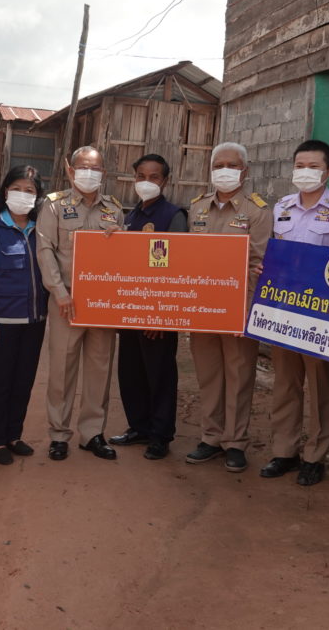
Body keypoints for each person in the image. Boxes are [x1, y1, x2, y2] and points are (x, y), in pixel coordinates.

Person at [261, 139, 329, 486]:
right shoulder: (281, 208)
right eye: (300, 166)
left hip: (320, 315)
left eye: (313, 166)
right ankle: (284, 450)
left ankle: (315, 456)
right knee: (285, 383)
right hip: (283, 311)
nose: (305, 172)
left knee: (319, 386)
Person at [186, 142, 272, 472]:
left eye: (232, 165)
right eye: (218, 165)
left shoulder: (257, 211)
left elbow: (258, 264)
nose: (225, 171)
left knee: (239, 376)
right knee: (209, 375)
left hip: (238, 308)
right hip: (202, 307)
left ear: (244, 171)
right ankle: (210, 437)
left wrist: (246, 312)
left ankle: (235, 442)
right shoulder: (197, 207)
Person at [36, 146, 123, 460]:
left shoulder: (114, 209)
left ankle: (92, 433)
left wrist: (122, 238)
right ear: (70, 170)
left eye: (95, 168)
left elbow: (124, 258)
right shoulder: (54, 206)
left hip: (102, 303)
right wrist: (59, 292)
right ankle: (59, 434)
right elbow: (45, 250)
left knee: (100, 368)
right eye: (83, 167)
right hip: (67, 300)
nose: (89, 173)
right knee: (62, 368)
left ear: (104, 173)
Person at [107, 155, 187, 460]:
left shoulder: (174, 216)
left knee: (160, 374)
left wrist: (162, 316)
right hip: (130, 309)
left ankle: (160, 435)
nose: (146, 181)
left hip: (157, 313)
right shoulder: (129, 216)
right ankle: (138, 427)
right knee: (131, 372)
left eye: (154, 177)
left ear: (165, 181)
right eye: (141, 175)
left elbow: (177, 268)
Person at [0, 165, 49, 464]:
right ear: (5, 191)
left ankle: (14, 435)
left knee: (23, 382)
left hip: (34, 321)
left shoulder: (41, 229)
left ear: (37, 196)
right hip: (1, 322)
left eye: (30, 190)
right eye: (17, 188)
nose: (23, 194)